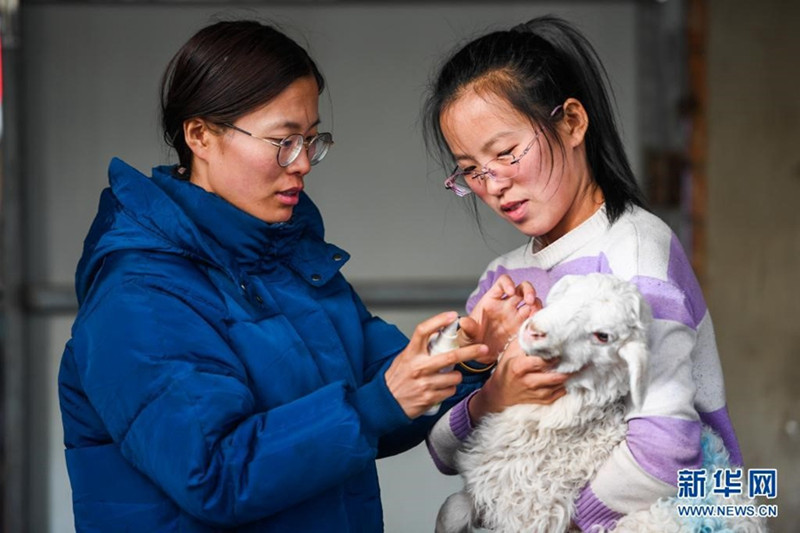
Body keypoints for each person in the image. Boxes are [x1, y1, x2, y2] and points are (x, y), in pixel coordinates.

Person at [57, 19, 531, 532]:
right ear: (200, 136)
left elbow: (385, 390)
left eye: (312, 140)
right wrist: (380, 403)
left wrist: (468, 348)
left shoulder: (287, 260)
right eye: (284, 141)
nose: (303, 163)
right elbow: (214, 474)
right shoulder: (138, 298)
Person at [423, 15, 742, 531]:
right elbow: (442, 450)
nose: (493, 185)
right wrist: (491, 396)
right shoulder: (502, 279)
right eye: (471, 170)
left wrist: (565, 522)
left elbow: (667, 449)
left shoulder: (636, 253)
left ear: (571, 122)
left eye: (506, 153)